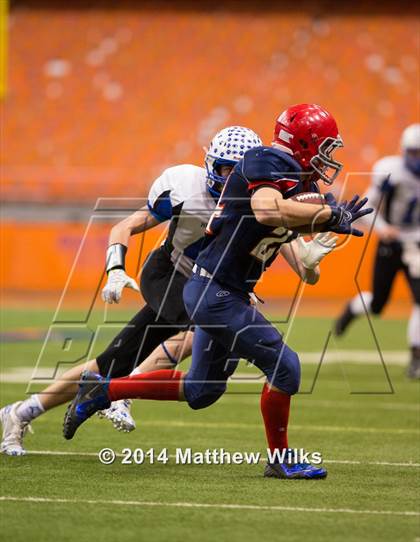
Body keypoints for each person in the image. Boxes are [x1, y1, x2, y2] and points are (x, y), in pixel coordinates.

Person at [63, 103, 372, 480]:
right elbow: (266, 211)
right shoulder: (264, 160)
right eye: (326, 146)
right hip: (215, 290)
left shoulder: (298, 182)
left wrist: (318, 242)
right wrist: (324, 214)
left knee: (201, 391)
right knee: (286, 367)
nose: (330, 157)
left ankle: (103, 390)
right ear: (305, 142)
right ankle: (280, 460)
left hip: (225, 291)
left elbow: (307, 271)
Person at [0, 126, 263, 456]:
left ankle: (20, 412)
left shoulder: (256, 203)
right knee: (205, 324)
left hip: (203, 285)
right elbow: (123, 226)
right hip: (167, 274)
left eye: (240, 171)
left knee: (108, 363)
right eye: (227, 168)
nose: (232, 178)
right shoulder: (186, 187)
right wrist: (115, 270)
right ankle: (121, 394)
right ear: (211, 164)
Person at [334, 124, 420, 379]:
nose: (417, 159)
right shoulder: (390, 172)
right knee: (379, 304)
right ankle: (354, 308)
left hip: (416, 243)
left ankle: (416, 357)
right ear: (404, 152)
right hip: (390, 244)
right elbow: (367, 210)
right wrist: (384, 230)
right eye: (413, 153)